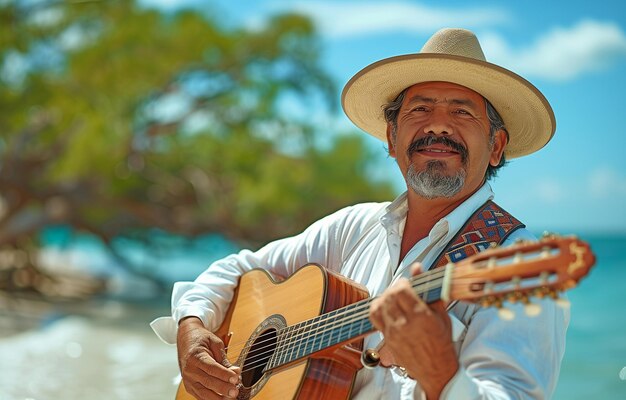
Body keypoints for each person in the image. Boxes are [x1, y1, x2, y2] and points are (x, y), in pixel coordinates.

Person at [151, 28, 568, 399]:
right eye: (419, 110)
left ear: (496, 147)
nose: (438, 126)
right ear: (392, 137)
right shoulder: (353, 227)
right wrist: (192, 326)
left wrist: (441, 372)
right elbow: (239, 268)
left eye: (462, 112)